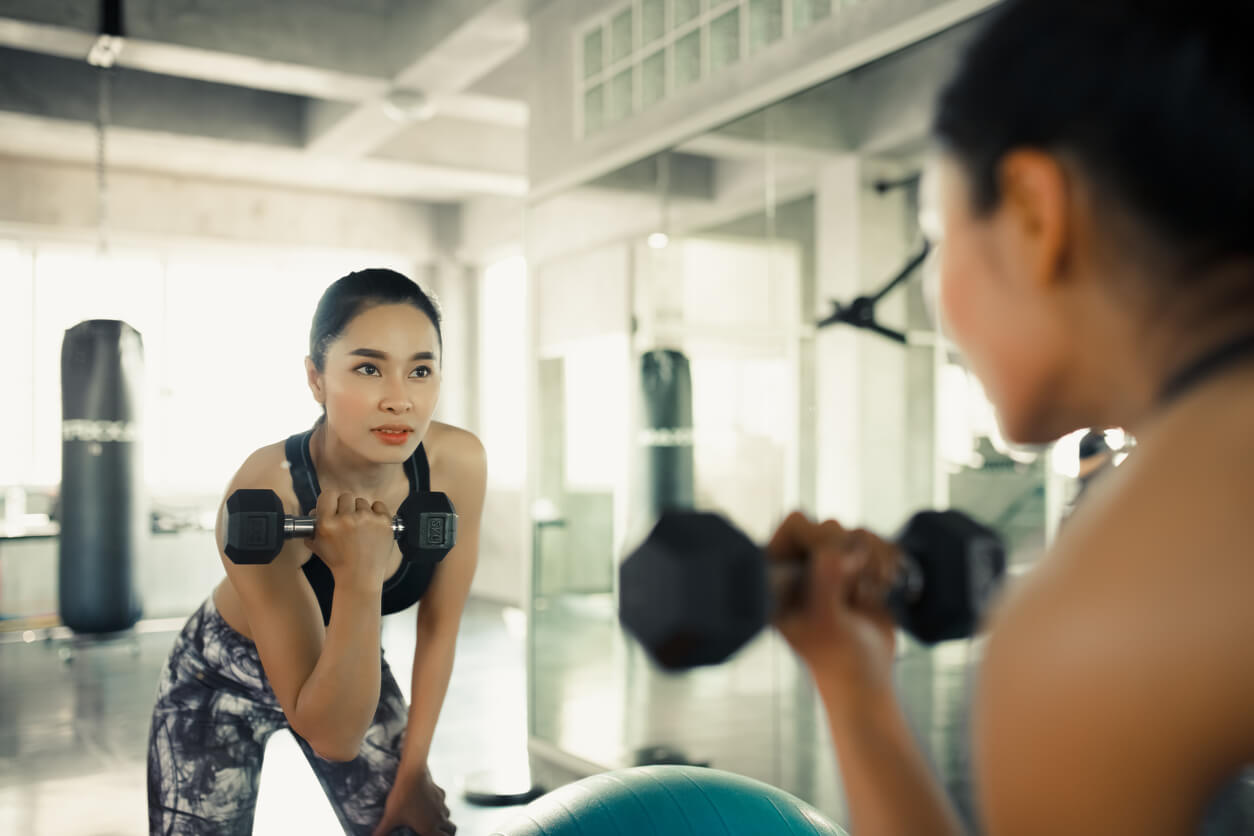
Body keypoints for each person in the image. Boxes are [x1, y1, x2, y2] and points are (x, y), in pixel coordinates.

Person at [769, 2, 1254, 834]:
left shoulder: (1104, 618)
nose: (940, 303)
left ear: (1034, 210)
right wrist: (854, 686)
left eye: (935, 235)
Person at [147, 269, 486, 836]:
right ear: (316, 378)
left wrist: (413, 770)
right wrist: (358, 575)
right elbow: (331, 737)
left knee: (409, 827)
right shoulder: (263, 494)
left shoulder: (458, 465)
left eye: (420, 370)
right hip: (217, 680)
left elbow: (440, 629)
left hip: (346, 656)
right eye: (368, 368)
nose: (400, 399)